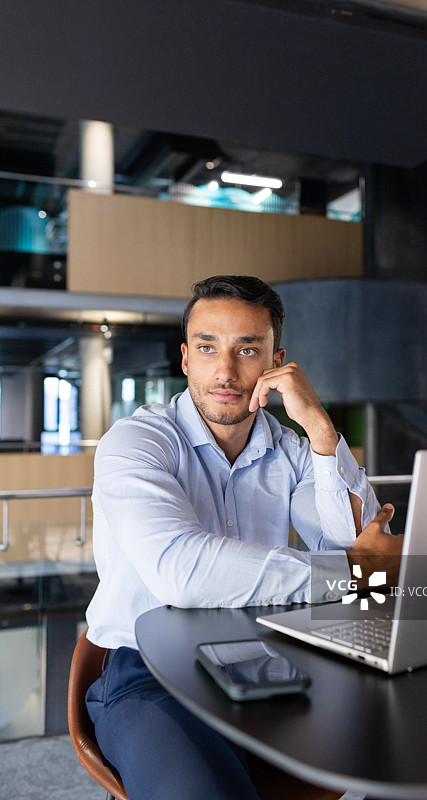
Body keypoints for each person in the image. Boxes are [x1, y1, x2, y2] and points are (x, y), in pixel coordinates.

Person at [85, 274, 403, 800]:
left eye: (247, 349)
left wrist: (321, 429)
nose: (226, 371)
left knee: (417, 748)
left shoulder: (294, 450)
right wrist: (349, 574)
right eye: (208, 348)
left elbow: (358, 541)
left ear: (277, 361)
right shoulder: (136, 443)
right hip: (149, 675)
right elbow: (181, 574)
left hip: (268, 659)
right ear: (186, 358)